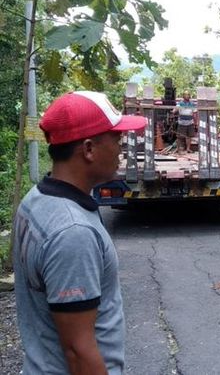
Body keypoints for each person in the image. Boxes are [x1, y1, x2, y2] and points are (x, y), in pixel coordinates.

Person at [13, 91, 147, 374]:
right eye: (116, 139)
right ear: (88, 149)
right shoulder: (73, 232)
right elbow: (78, 352)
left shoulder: (36, 200)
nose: (121, 149)